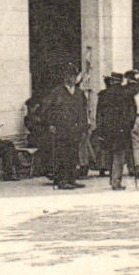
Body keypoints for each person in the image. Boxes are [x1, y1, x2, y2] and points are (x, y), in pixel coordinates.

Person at [44, 61, 88, 190]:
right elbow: (47, 109)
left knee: (74, 154)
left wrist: (84, 126)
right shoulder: (57, 92)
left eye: (74, 75)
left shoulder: (79, 93)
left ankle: (71, 178)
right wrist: (51, 124)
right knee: (62, 154)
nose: (72, 78)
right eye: (70, 75)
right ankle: (61, 180)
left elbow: (83, 110)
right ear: (65, 77)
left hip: (75, 128)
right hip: (61, 128)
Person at [96, 72, 137, 190]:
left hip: (107, 128)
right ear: (121, 81)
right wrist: (130, 125)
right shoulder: (127, 94)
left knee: (109, 153)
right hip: (122, 128)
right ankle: (116, 181)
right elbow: (132, 112)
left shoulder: (103, 95)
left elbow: (99, 113)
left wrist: (100, 128)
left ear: (111, 81)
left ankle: (111, 178)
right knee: (119, 154)